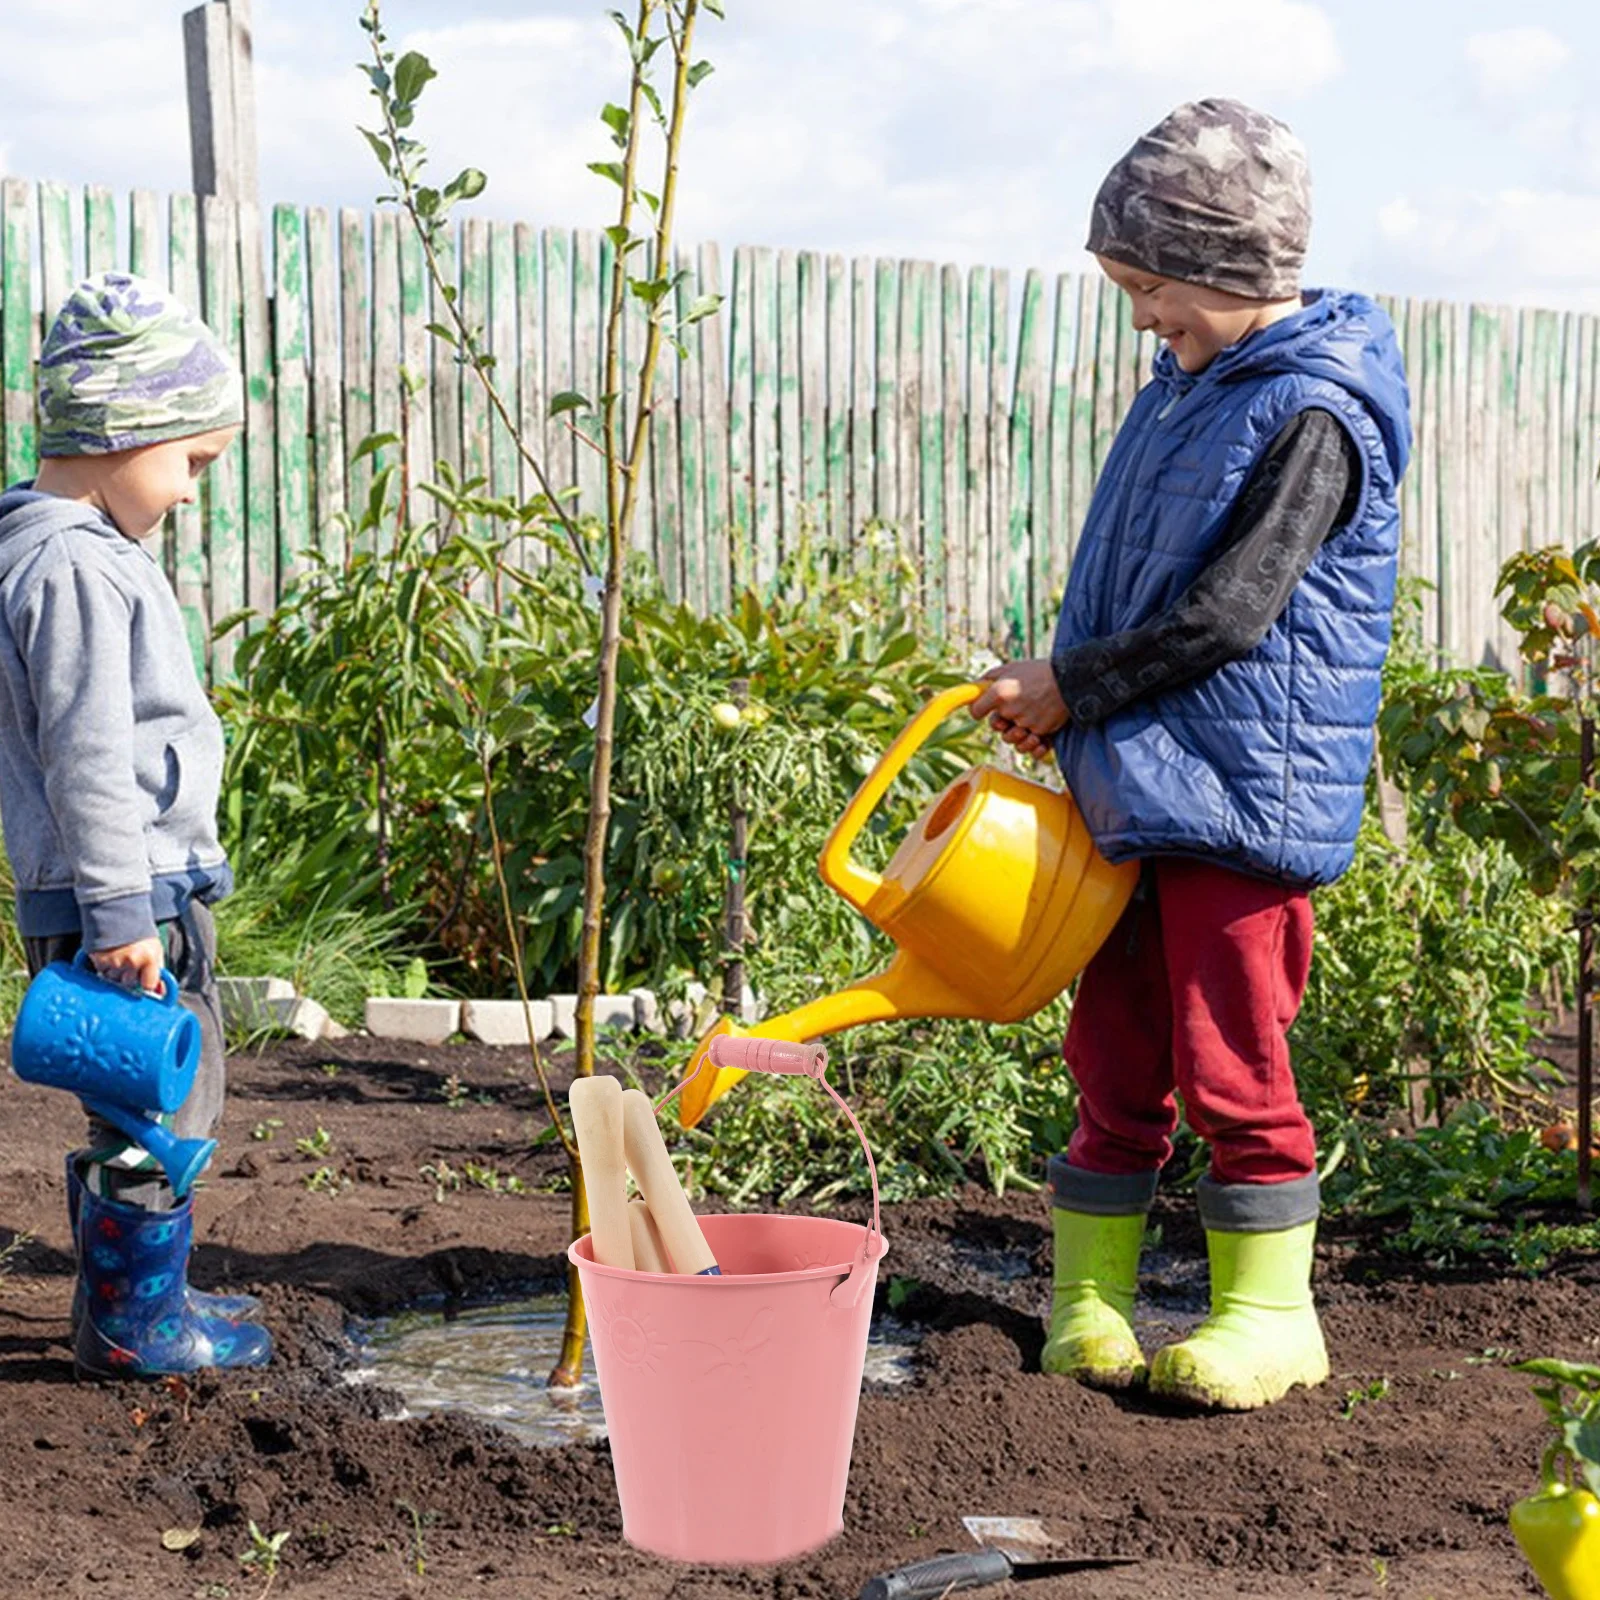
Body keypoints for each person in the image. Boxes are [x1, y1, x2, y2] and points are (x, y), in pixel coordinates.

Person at [971, 99, 1410, 1412]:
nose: (1144, 321)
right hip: (1140, 785)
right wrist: (1068, 701)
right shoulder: (1188, 393)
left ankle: (1270, 1318)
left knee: (1233, 1061)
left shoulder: (1313, 413)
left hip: (1241, 799)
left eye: (1156, 293)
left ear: (1231, 268)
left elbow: (1230, 613)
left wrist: (1073, 685)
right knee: (1110, 1056)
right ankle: (1092, 1300)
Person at [0, 272, 271, 1377]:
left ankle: (130, 1302)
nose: (197, 492)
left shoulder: (63, 549)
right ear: (123, 430)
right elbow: (88, 752)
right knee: (160, 1104)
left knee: (137, 1101)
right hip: (127, 896)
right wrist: (120, 910)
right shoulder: (70, 563)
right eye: (193, 462)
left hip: (125, 891)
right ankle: (136, 1326)